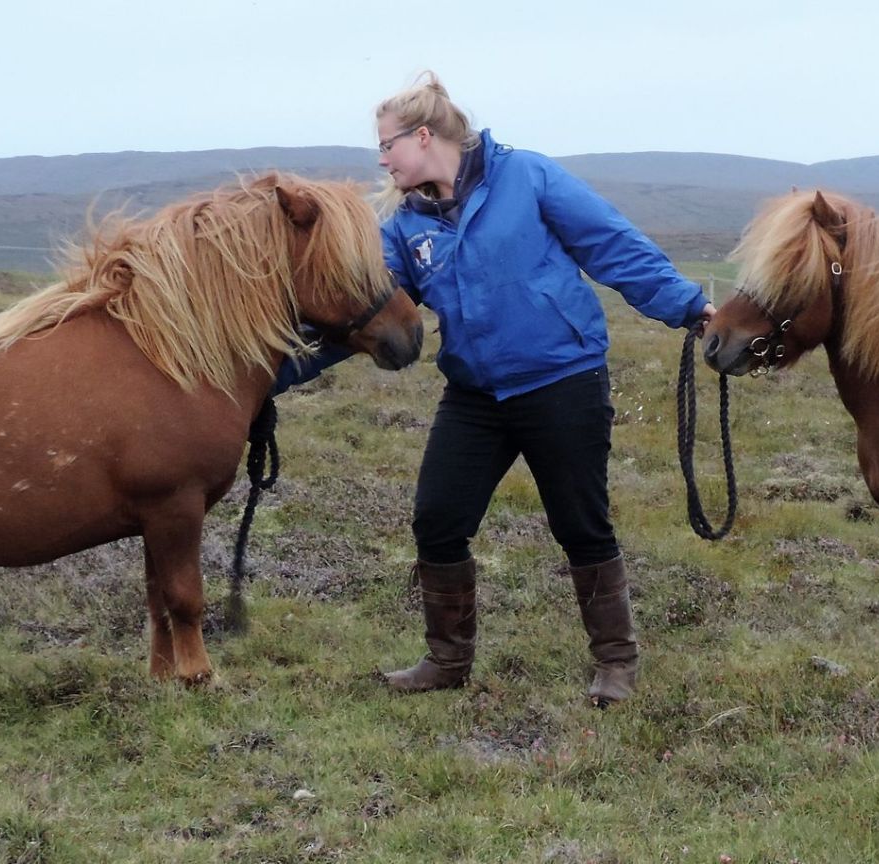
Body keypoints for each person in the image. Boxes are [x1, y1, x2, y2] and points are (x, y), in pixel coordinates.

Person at [277, 71, 713, 707]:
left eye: (386, 144)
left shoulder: (527, 176)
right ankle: (447, 660)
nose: (380, 158)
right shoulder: (402, 227)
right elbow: (359, 317)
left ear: (424, 136)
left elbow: (612, 246)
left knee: (581, 524)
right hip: (477, 394)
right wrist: (272, 377)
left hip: (562, 378)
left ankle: (616, 662)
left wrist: (689, 308)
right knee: (438, 518)